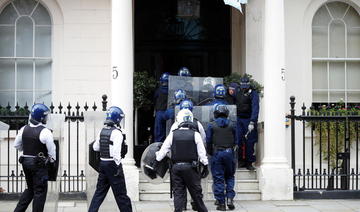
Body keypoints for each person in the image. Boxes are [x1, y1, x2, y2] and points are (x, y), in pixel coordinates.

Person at [154, 109, 209, 212]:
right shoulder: (195, 134)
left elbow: (163, 151)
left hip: (176, 168)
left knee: (178, 194)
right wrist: (205, 165)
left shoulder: (173, 134)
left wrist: (156, 161)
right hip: (191, 168)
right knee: (196, 195)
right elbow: (202, 153)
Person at [14, 103, 56, 212]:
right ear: (41, 118)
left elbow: (17, 145)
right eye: (46, 116)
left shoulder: (23, 129)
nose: (47, 118)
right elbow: (52, 151)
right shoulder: (45, 131)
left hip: (25, 162)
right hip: (39, 165)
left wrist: (28, 149)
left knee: (30, 189)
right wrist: (52, 162)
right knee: (40, 192)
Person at [88, 106, 132, 212]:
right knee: (121, 194)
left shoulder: (102, 131)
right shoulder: (117, 133)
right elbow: (117, 153)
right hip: (113, 165)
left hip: (103, 164)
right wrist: (117, 167)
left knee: (99, 193)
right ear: (117, 119)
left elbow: (95, 147)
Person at [169, 99, 206, 211]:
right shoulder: (197, 123)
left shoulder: (175, 125)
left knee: (179, 188)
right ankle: (195, 204)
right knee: (195, 186)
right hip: (193, 161)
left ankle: (182, 205)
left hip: (177, 161)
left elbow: (169, 142)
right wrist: (204, 160)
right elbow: (203, 139)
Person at [206, 104, 237, 211]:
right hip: (229, 152)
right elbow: (236, 140)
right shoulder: (233, 125)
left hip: (217, 153)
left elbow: (208, 141)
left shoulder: (211, 125)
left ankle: (221, 203)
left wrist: (210, 153)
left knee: (218, 178)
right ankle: (230, 198)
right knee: (230, 176)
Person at [235, 77, 259, 171]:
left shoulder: (253, 94)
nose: (244, 88)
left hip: (249, 120)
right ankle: (240, 161)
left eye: (245, 86)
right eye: (242, 86)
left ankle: (249, 162)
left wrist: (252, 121)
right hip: (239, 119)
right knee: (239, 140)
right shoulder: (238, 92)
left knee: (250, 141)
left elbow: (255, 108)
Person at [154, 72, 170, 143]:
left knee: (159, 132)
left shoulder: (159, 89)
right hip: (168, 112)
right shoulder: (171, 90)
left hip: (160, 112)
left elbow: (154, 97)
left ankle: (158, 145)